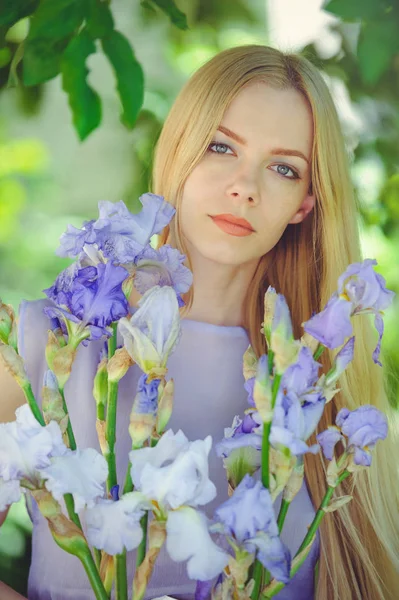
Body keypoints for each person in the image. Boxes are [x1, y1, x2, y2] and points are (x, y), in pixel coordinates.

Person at [0, 44, 398, 600]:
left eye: (283, 168)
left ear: (305, 203)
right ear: (179, 150)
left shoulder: (322, 388)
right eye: (220, 146)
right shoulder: (53, 339)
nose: (245, 186)